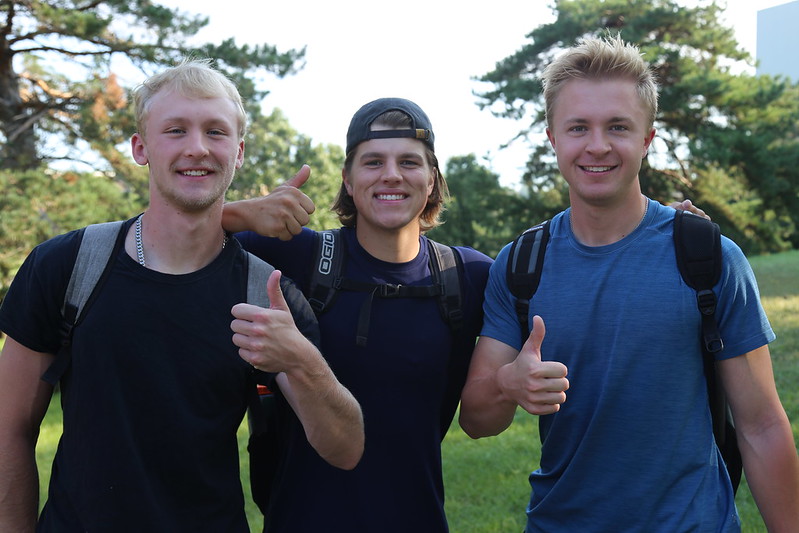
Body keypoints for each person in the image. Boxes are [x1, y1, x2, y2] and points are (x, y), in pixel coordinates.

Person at [0, 58, 363, 533]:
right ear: (140, 147)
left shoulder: (268, 296)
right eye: (175, 130)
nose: (197, 148)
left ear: (238, 153)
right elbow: (9, 430)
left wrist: (303, 361)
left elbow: (345, 447)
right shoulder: (67, 266)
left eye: (216, 132)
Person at [458, 35, 799, 532]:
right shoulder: (519, 264)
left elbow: (762, 425)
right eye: (579, 127)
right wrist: (510, 383)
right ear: (552, 137)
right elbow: (476, 419)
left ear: (647, 138)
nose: (597, 145)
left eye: (618, 126)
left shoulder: (709, 258)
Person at [223, 97, 494, 532]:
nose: (391, 174)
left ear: (431, 181)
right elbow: (170, 239)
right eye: (373, 162)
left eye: (409, 161)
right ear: (348, 180)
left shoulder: (470, 276)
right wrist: (240, 213)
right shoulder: (295, 255)